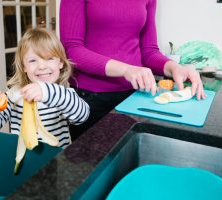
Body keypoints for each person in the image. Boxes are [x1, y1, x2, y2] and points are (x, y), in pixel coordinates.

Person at [59, 0, 206, 140]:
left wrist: (175, 68)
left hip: (135, 96)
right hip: (90, 100)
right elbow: (72, 49)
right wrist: (125, 69)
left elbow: (149, 51)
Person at [0, 28, 90, 148]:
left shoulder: (63, 95)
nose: (42, 66)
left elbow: (82, 116)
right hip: (23, 161)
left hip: (57, 160)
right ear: (24, 67)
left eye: (50, 59)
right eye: (33, 60)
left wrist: (46, 91)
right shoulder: (14, 96)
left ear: (61, 63)